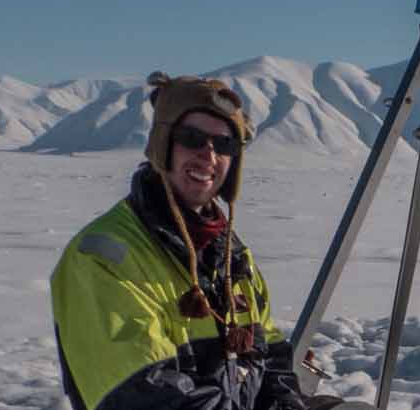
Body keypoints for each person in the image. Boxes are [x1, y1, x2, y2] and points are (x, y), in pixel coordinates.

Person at [51, 72, 362, 410]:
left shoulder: (231, 259)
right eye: (192, 137)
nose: (208, 155)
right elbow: (150, 398)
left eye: (224, 144)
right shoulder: (104, 256)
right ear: (163, 145)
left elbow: (270, 358)